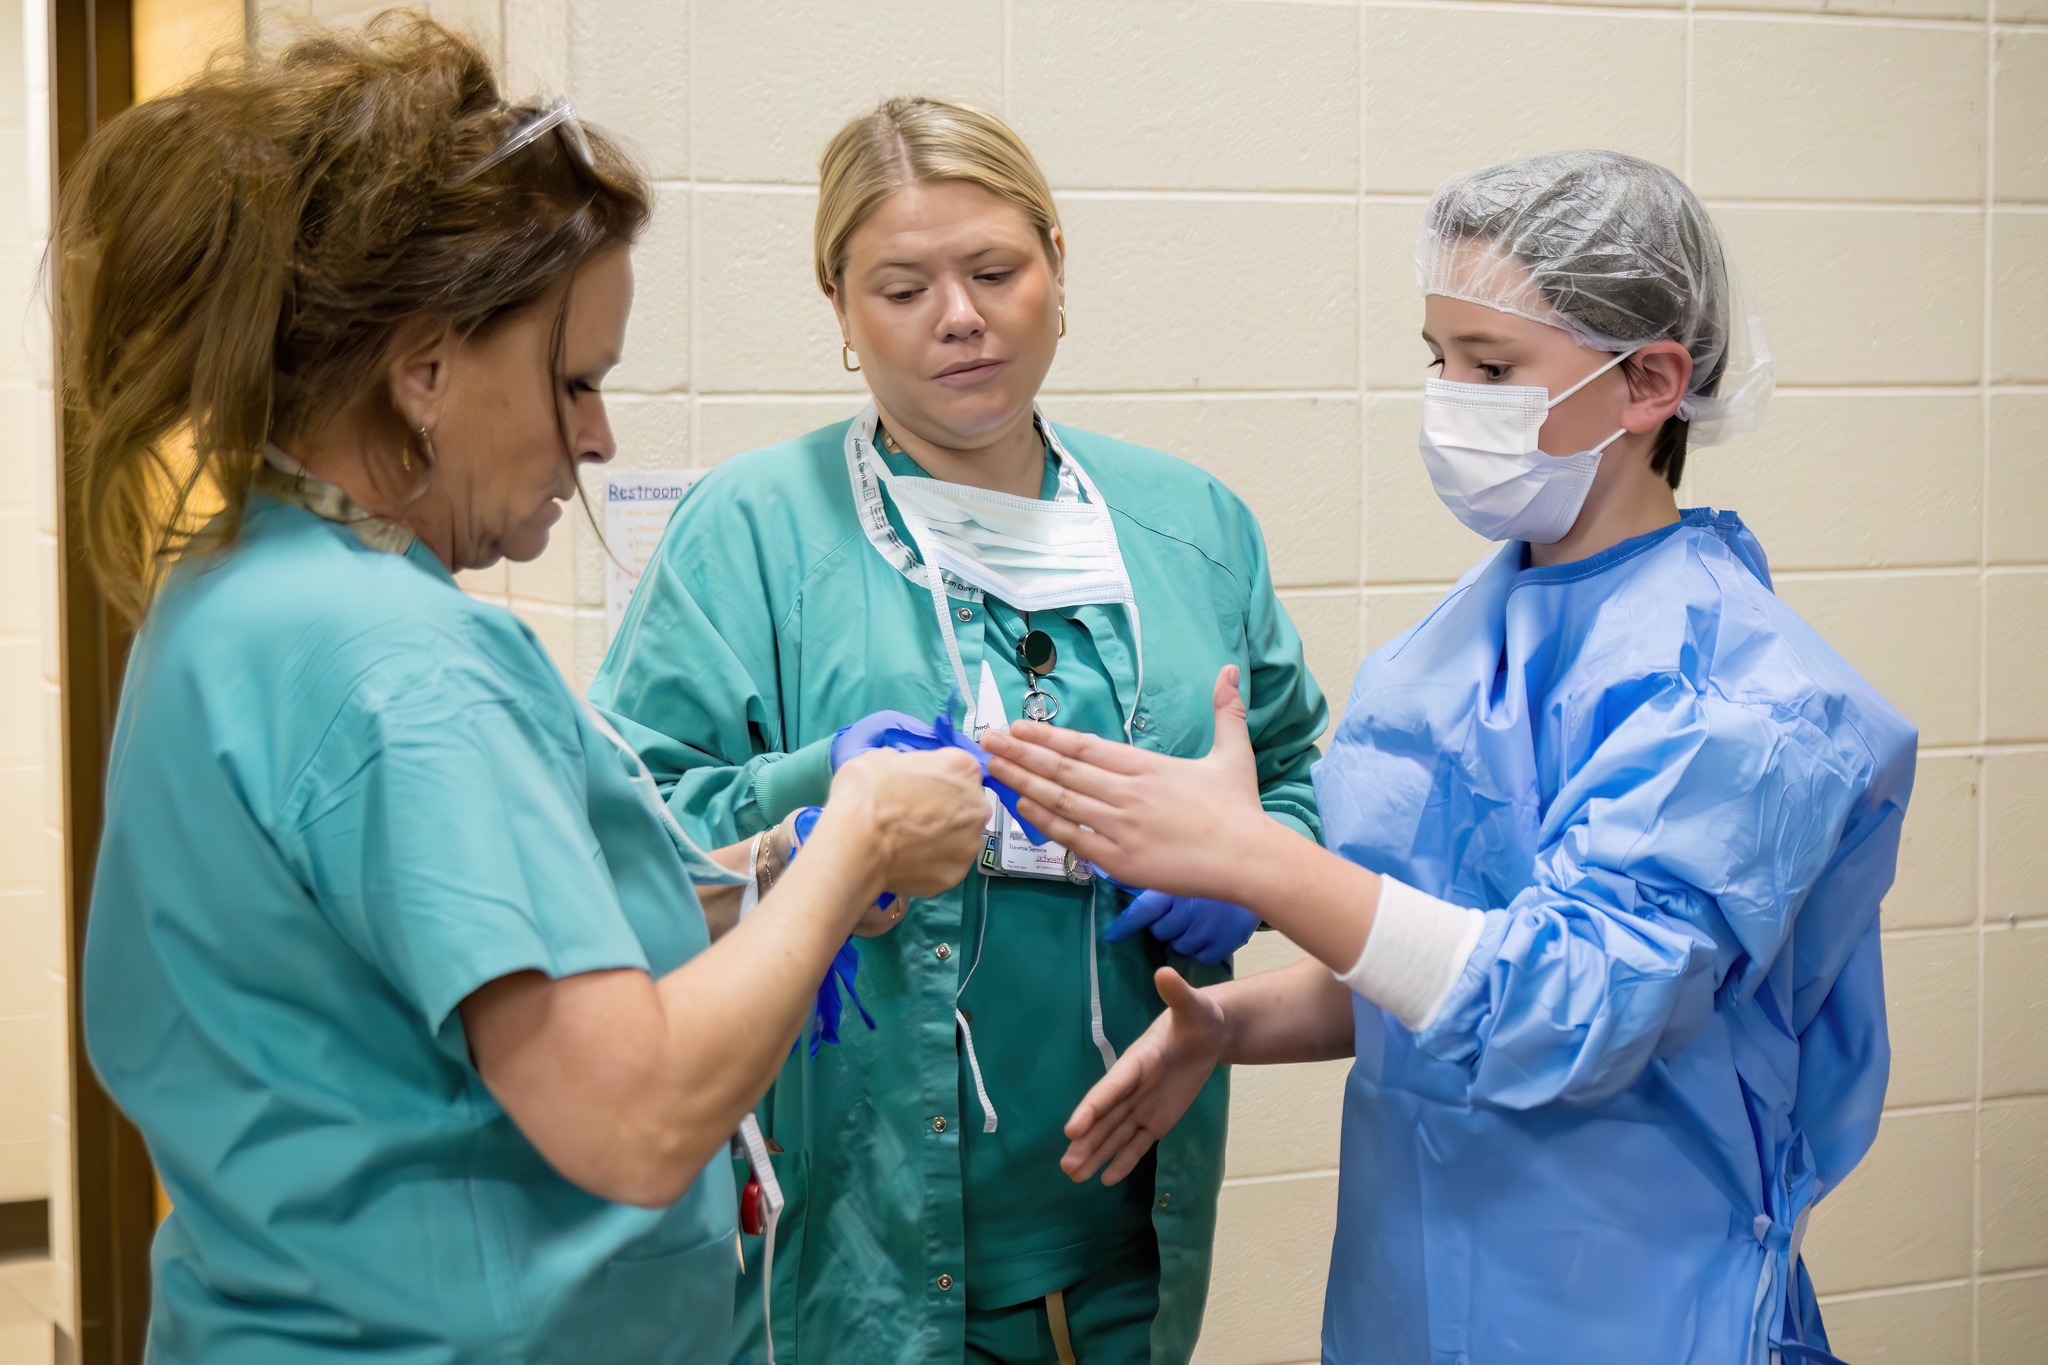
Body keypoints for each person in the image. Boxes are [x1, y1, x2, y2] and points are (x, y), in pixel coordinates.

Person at [66, 20, 987, 1363]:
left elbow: (450, 938)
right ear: (427, 367)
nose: (600, 438)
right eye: (574, 382)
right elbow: (634, 1117)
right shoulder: (410, 666)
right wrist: (857, 844)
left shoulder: (234, 589)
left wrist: (763, 869)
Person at [983, 150, 1917, 1365]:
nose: (1450, 399)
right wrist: (1228, 1021)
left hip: (1631, 1309)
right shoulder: (1450, 651)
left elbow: (1564, 1006)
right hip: (1411, 1296)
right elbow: (1426, 975)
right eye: (1440, 361)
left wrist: (1261, 861)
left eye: (1491, 368)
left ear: (1648, 382)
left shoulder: (1745, 700)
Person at [589, 97, 1327, 1363]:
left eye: (995, 271)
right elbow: (628, 830)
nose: (960, 317)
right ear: (838, 311)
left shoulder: (1192, 526)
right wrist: (817, 796)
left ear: (1054, 263)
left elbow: (1298, 770)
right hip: (861, 1249)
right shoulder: (752, 534)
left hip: (1123, 1258)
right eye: (900, 287)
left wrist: (1252, 870)